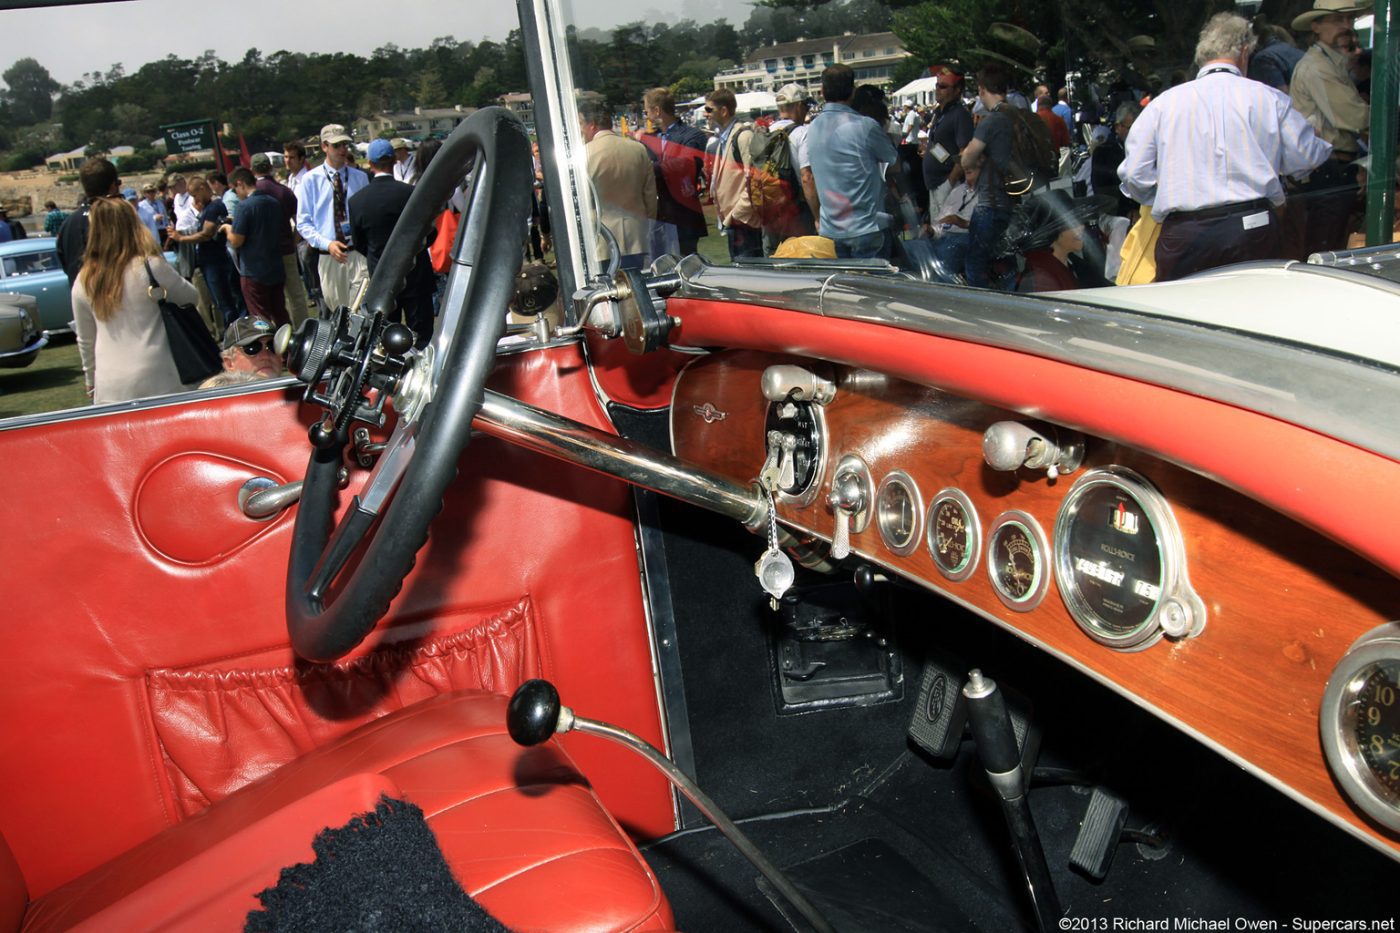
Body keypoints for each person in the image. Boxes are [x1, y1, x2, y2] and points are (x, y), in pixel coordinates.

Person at [1118, 12, 1332, 281]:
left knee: (1185, 315)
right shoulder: (1268, 98)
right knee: (1252, 312)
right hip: (1253, 226)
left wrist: (1169, 192)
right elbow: (1306, 157)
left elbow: (1135, 175)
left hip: (1185, 231)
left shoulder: (1162, 105)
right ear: (1244, 52)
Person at [71, 197, 203, 404]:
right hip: (160, 373)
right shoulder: (150, 267)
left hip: (110, 381)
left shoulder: (84, 279)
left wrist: (90, 380)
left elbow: (86, 338)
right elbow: (191, 297)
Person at [1290, 0, 1371, 256]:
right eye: (1338, 20)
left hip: (1332, 170)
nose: (1346, 26)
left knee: (1328, 246)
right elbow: (1357, 118)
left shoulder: (1330, 63)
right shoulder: (1318, 67)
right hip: (1327, 172)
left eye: (1350, 20)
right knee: (1324, 252)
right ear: (1316, 26)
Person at [806, 64, 900, 259]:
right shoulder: (866, 126)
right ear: (853, 91)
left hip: (831, 229)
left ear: (822, 92)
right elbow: (894, 162)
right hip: (866, 227)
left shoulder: (813, 128)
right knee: (873, 289)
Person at [348, 138, 435, 345]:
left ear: (370, 164)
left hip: (382, 277)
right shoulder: (411, 193)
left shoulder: (357, 201)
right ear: (394, 160)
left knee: (386, 342)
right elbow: (430, 232)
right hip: (415, 273)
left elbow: (359, 242)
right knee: (422, 337)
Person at [295, 123, 369, 313]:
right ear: (324, 147)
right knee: (339, 311)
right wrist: (327, 244)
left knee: (361, 308)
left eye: (345, 144)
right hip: (329, 255)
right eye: (337, 145)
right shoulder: (310, 180)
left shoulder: (360, 177)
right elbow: (303, 222)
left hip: (358, 252)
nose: (343, 150)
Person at [959, 63, 1019, 287]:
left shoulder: (991, 121)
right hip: (1014, 199)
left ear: (982, 89)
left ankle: (983, 311)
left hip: (991, 201)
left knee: (975, 263)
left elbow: (967, 160)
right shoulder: (1018, 115)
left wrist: (972, 153)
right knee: (1006, 259)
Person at [580, 99, 657, 271]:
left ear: (592, 125)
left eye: (581, 124)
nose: (580, 129)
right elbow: (650, 197)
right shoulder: (638, 149)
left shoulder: (583, 154)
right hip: (635, 235)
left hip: (600, 240)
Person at [639, 87, 710, 257]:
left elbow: (683, 165)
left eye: (646, 110)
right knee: (660, 268)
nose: (646, 115)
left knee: (687, 265)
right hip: (658, 216)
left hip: (683, 214)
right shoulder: (650, 140)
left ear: (657, 111)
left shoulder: (693, 135)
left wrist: (647, 169)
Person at [221, 167, 288, 328]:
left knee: (260, 317)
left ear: (240, 184)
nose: (235, 194)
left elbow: (237, 241)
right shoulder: (273, 202)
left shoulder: (244, 207)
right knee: (280, 313)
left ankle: (269, 351)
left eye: (234, 189)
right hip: (276, 266)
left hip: (253, 270)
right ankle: (288, 349)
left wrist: (226, 229)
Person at [249, 152, 311, 326]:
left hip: (262, 255)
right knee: (296, 295)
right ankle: (303, 329)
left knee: (272, 299)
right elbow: (300, 222)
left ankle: (280, 332)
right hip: (285, 248)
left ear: (252, 170)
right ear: (270, 167)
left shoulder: (251, 193)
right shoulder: (283, 191)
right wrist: (293, 241)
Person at [169, 178, 240, 325]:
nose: (195, 200)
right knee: (220, 302)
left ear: (202, 189)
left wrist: (181, 238)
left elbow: (206, 234)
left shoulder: (214, 207)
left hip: (215, 262)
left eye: (195, 195)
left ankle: (234, 332)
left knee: (224, 302)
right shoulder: (208, 208)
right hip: (210, 262)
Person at [704, 88, 763, 260]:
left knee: (750, 276)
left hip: (745, 223)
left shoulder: (743, 136)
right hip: (734, 223)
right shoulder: (725, 137)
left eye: (709, 110)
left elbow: (754, 179)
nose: (706, 114)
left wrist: (738, 214)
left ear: (724, 110)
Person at [921, 67, 975, 222]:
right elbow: (943, 147)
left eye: (943, 86)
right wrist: (929, 150)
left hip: (947, 185)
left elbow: (965, 151)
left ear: (957, 90)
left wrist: (950, 182)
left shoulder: (960, 114)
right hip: (935, 184)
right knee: (937, 232)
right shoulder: (940, 113)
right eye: (937, 85)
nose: (938, 89)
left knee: (945, 232)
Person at [55, 158, 121, 283]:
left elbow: (65, 263)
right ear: (113, 186)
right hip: (115, 296)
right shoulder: (118, 218)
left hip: (82, 297)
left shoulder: (68, 224)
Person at [203, 315, 284, 385]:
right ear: (229, 363)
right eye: (252, 348)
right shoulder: (216, 400)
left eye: (272, 346)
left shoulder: (295, 392)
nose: (265, 356)